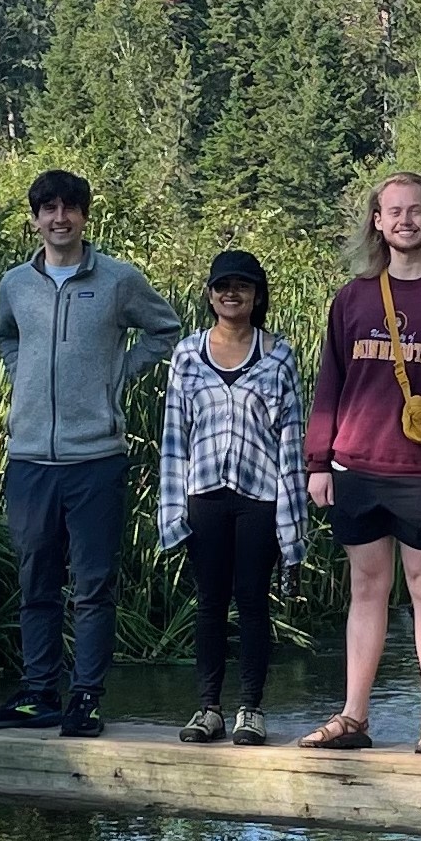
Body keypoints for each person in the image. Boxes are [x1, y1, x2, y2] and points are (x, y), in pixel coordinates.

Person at [296, 171, 421, 755]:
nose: (405, 220)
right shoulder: (353, 297)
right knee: (365, 587)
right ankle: (353, 717)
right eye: (394, 211)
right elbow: (329, 383)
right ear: (377, 222)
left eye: (416, 210)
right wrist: (318, 461)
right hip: (356, 467)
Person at [0, 170, 181, 739]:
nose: (59, 218)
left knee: (92, 586)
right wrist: (20, 377)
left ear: (85, 215)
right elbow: (5, 335)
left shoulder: (117, 279)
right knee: (35, 582)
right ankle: (39, 692)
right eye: (48, 209)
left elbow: (164, 329)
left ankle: (86, 697)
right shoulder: (16, 282)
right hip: (30, 459)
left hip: (95, 458)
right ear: (35, 217)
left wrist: (118, 377)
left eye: (70, 208)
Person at [157, 248, 307, 744]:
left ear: (257, 295)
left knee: (252, 600)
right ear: (209, 294)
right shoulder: (186, 354)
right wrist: (173, 507)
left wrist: (292, 520)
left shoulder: (279, 355)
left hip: (260, 494)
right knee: (209, 603)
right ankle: (207, 708)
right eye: (222, 285)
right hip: (204, 493)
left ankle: (250, 709)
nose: (231, 292)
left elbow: (291, 439)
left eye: (242, 285)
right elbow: (174, 436)